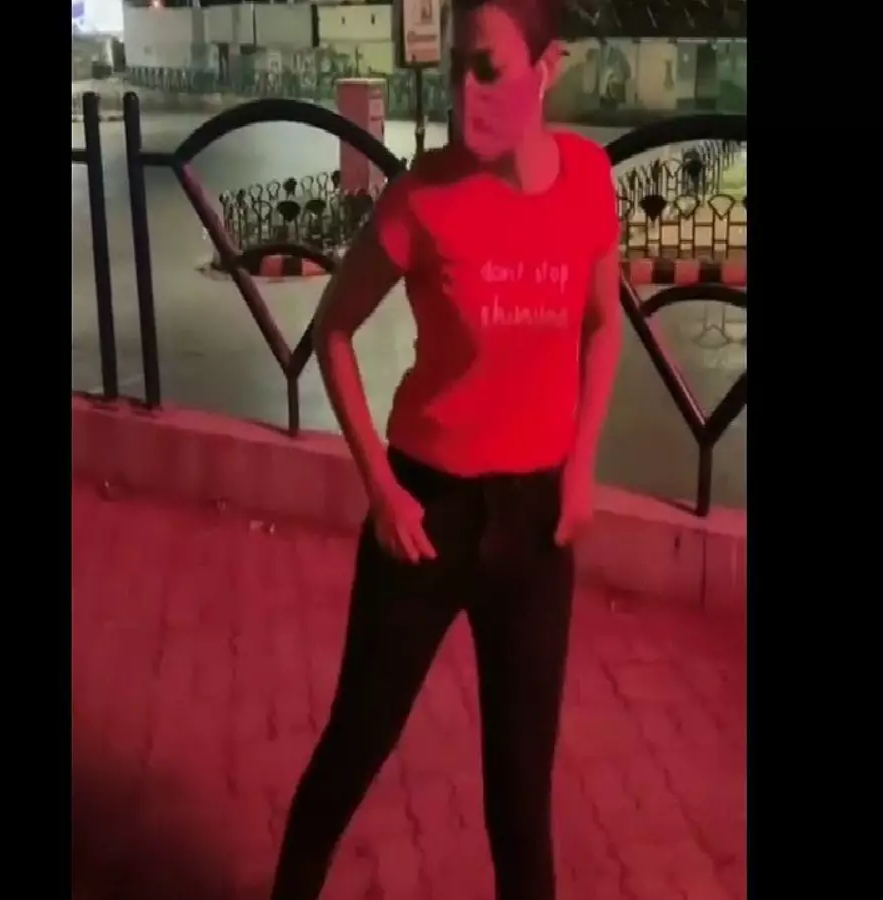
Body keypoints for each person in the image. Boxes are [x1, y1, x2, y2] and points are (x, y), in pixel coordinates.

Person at [268, 0, 622, 898]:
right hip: (426, 519)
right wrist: (381, 490)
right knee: (356, 744)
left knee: (521, 797)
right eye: (456, 69)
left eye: (489, 68)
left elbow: (603, 325)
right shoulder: (422, 196)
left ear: (549, 67)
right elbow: (333, 332)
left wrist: (582, 466)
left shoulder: (588, 179)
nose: (467, 92)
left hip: (536, 529)